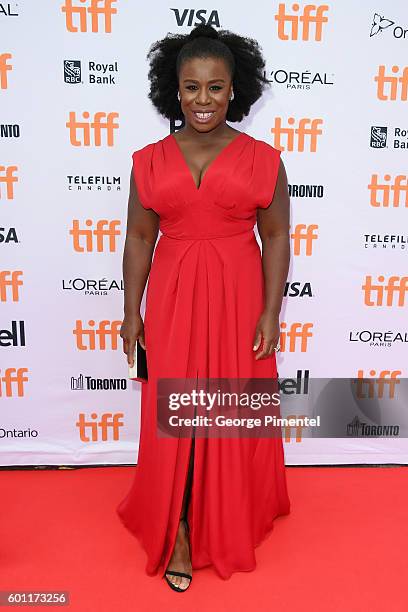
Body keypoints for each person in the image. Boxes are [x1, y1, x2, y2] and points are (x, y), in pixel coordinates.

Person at [117, 23, 291, 592]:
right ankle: (183, 528)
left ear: (234, 89)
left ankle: (231, 513)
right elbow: (140, 239)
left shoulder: (264, 158)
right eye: (191, 88)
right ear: (174, 89)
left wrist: (271, 312)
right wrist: (131, 311)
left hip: (239, 296)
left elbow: (278, 238)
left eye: (215, 88)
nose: (203, 101)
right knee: (178, 415)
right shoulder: (148, 160)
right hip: (171, 296)